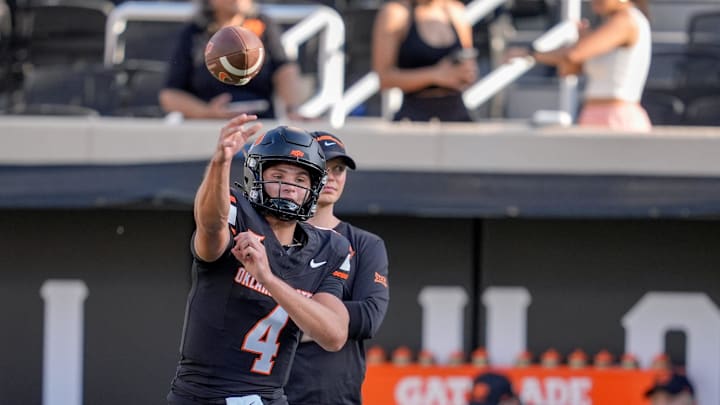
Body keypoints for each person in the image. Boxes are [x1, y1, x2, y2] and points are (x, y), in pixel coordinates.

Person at [167, 114, 353, 405]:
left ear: (313, 188)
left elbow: (334, 335)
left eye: (301, 179)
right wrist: (220, 162)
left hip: (268, 398)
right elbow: (211, 224)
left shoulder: (330, 249)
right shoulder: (237, 214)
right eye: (278, 177)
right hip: (203, 396)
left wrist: (268, 278)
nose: (290, 187)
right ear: (258, 176)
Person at [285, 131, 390, 405]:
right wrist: (328, 319)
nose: (332, 176)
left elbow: (368, 317)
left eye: (339, 169)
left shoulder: (365, 243)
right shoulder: (274, 235)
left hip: (333, 395)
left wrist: (288, 311)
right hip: (271, 391)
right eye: (324, 167)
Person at [159, 0, 303, 120]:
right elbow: (170, 95)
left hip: (258, 124)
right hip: (210, 128)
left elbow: (284, 69)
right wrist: (207, 112)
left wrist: (293, 110)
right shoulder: (194, 33)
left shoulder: (263, 25)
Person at [525, 0, 652, 132]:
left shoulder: (626, 21)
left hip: (617, 119)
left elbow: (574, 54)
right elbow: (568, 69)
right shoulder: (610, 25)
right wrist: (582, 41)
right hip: (594, 115)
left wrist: (529, 54)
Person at [372, 0, 478, 122]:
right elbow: (384, 78)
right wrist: (435, 75)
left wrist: (466, 74)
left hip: (457, 113)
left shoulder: (456, 11)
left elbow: (469, 62)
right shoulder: (396, 13)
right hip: (415, 115)